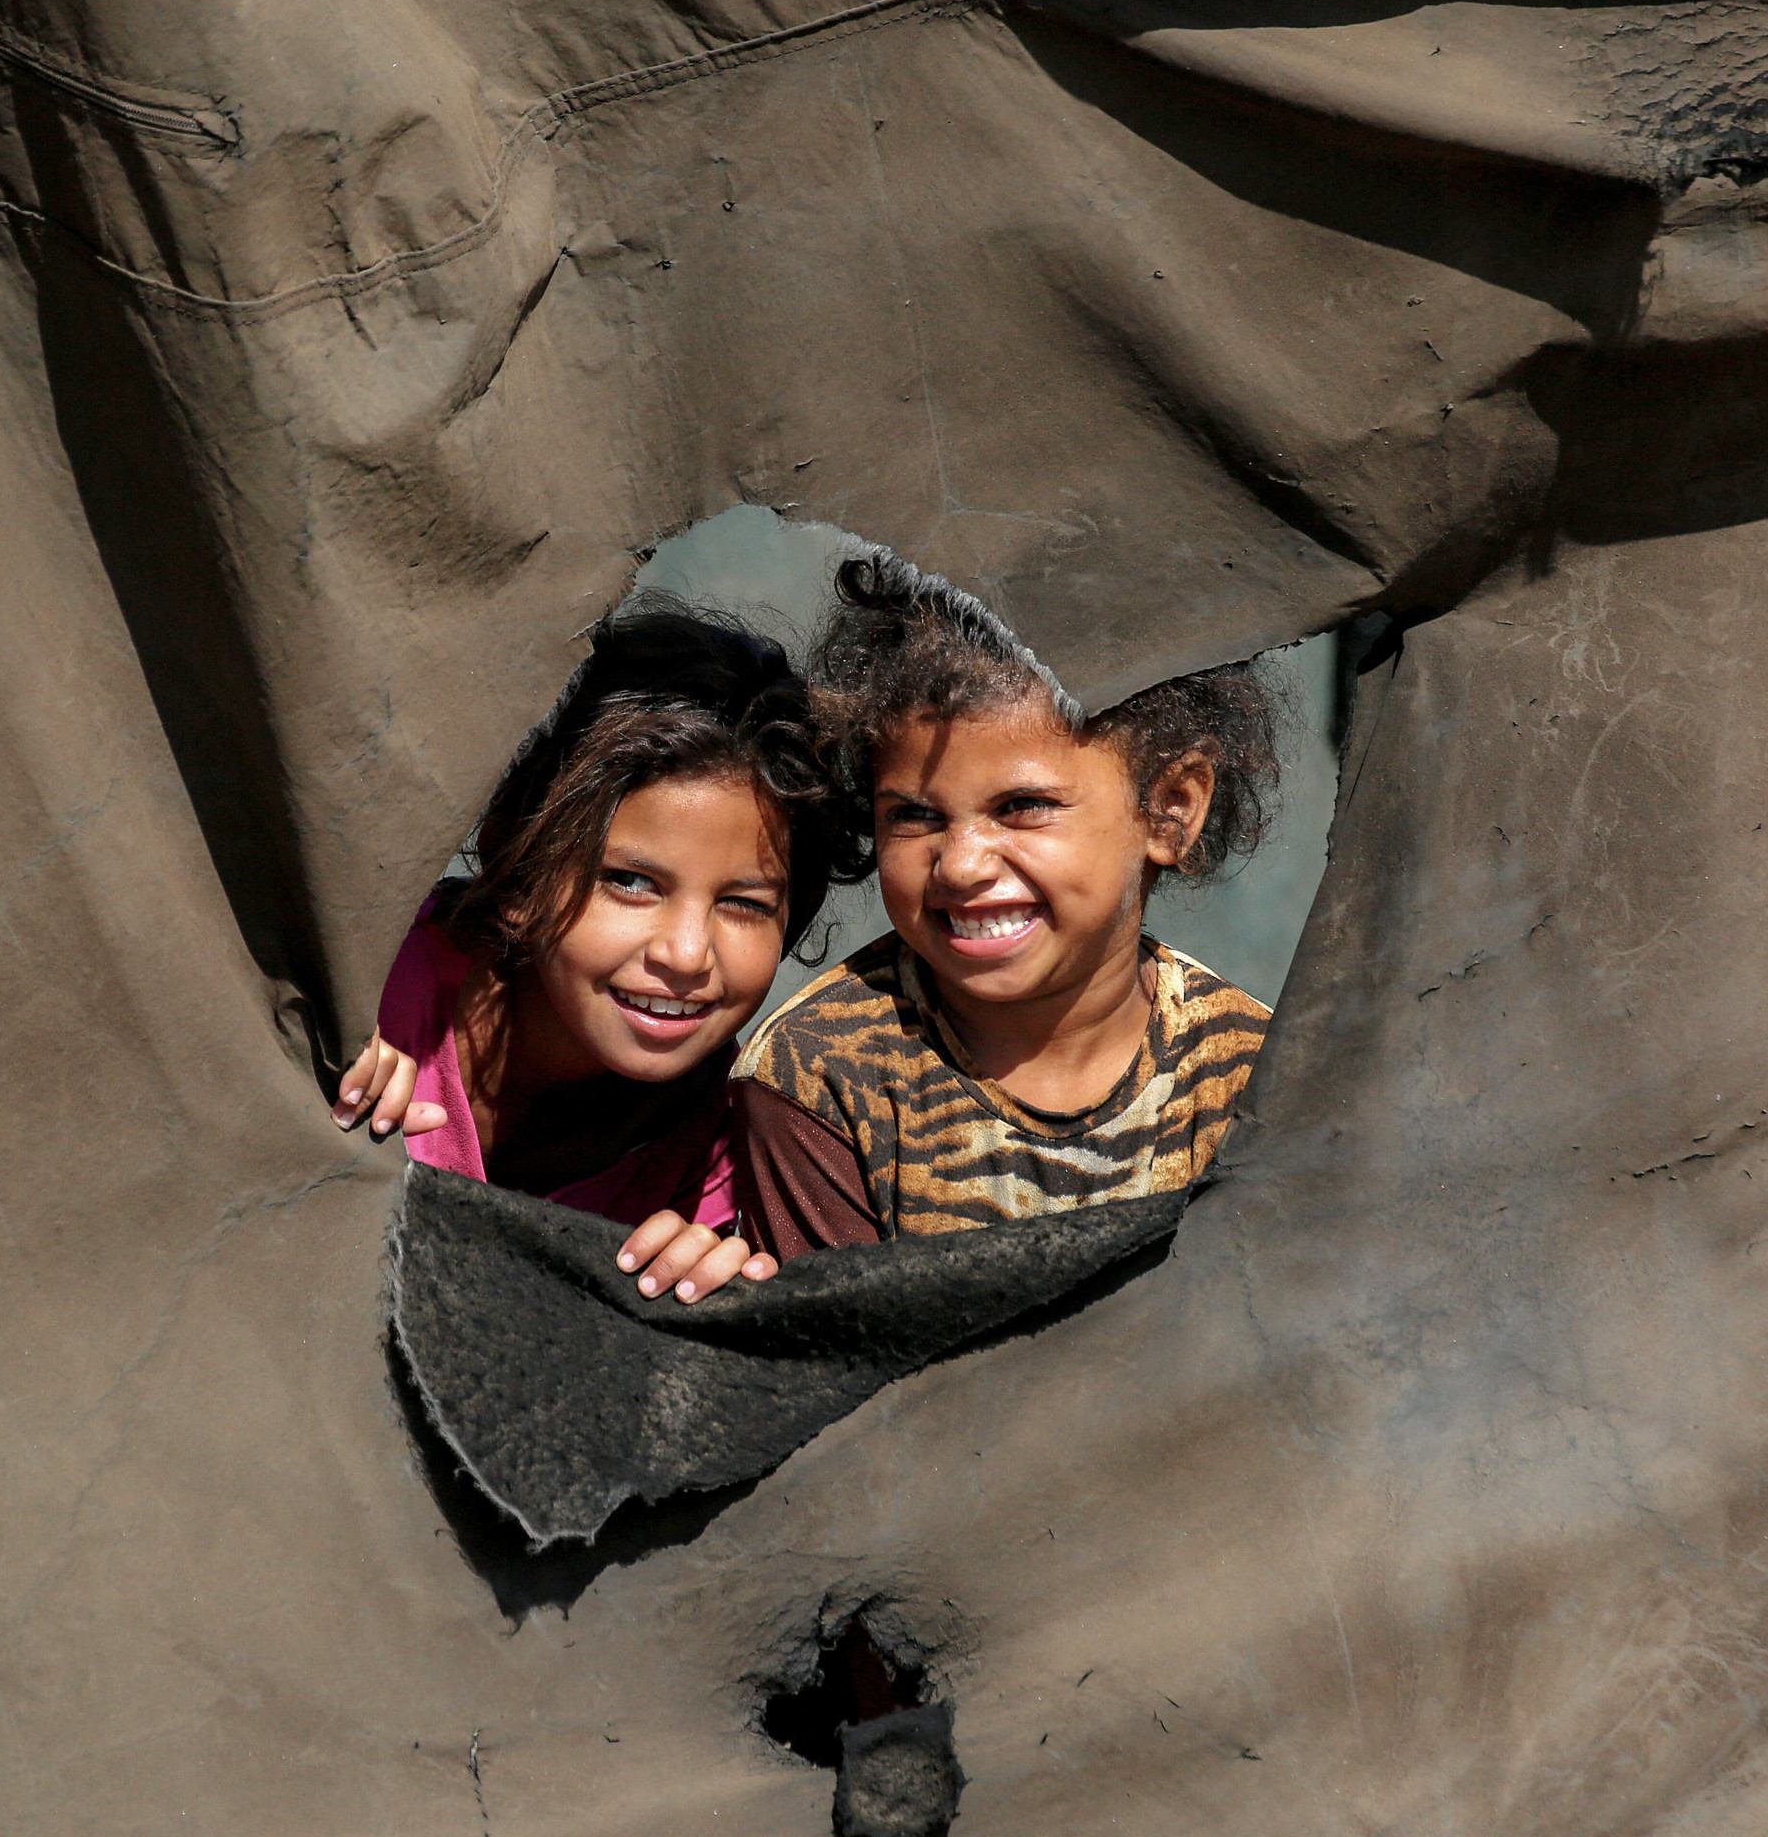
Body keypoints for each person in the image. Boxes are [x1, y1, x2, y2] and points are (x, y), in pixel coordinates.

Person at [716, 550, 1283, 1263]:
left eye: (1022, 808)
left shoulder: (1258, 1075)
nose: (961, 865)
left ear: (1169, 810)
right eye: (916, 816)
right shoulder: (821, 1078)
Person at [335, 600, 855, 1303]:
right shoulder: (361, 993)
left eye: (744, 904)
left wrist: (707, 1281)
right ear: (517, 870)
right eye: (631, 883)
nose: (687, 954)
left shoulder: (723, 1158)